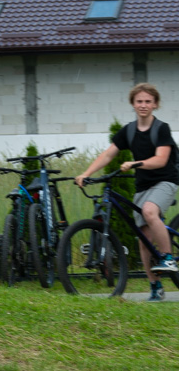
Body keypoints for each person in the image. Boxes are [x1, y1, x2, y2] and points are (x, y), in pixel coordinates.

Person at [75, 82, 179, 301]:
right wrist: (86, 173)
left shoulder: (161, 128)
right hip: (143, 186)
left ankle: (168, 257)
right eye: (139, 101)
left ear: (155, 105)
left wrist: (135, 164)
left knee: (150, 212)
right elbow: (108, 154)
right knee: (143, 238)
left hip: (166, 181)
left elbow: (161, 159)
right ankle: (155, 286)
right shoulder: (129, 131)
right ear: (133, 104)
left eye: (148, 101)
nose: (143, 105)